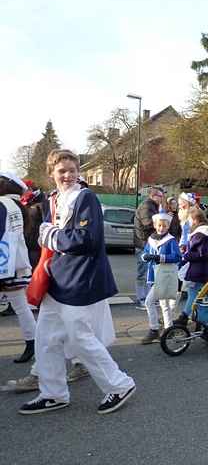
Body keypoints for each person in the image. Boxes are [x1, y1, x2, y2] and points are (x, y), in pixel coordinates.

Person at [19, 149, 135, 415]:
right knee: (46, 337)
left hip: (80, 279)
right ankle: (53, 393)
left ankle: (120, 385)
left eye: (72, 170)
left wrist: (50, 236)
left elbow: (87, 240)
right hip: (57, 279)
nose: (68, 175)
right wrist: (48, 236)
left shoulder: (86, 198)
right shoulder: (56, 199)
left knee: (80, 337)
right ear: (52, 174)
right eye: (62, 171)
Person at [0, 172, 36, 362]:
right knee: (21, 307)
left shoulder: (2, 204)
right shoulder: (16, 205)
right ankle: (33, 344)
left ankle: (34, 344)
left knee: (21, 307)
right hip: (15, 264)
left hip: (3, 265)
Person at [140, 212, 181, 344]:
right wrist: (145, 257)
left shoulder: (171, 240)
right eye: (159, 225)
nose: (161, 228)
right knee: (164, 304)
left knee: (150, 302)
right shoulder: (151, 239)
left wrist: (160, 258)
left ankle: (154, 330)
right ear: (155, 225)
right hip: (154, 275)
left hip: (164, 275)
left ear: (168, 226)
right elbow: (145, 252)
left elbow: (177, 257)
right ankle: (168, 330)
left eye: (164, 226)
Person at [174, 208, 208, 325]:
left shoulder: (201, 234)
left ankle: (184, 317)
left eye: (189, 219)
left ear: (194, 220)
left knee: (193, 292)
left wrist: (186, 255)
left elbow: (200, 253)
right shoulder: (204, 232)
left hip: (199, 269)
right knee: (205, 292)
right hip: (202, 268)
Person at [134, 186, 164, 307]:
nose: (161, 199)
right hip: (143, 243)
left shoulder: (153, 206)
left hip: (148, 242)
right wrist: (161, 222)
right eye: (160, 196)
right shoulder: (147, 206)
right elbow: (147, 223)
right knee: (143, 272)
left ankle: (149, 298)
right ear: (153, 196)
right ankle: (142, 298)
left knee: (150, 271)